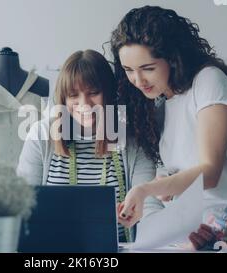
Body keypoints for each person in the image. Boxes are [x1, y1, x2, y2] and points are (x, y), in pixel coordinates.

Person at [110, 6, 227, 229]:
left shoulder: (209, 81)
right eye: (128, 70)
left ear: (173, 58)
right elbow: (180, 174)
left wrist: (146, 190)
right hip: (194, 230)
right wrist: (153, 193)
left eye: (148, 68)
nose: (138, 79)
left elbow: (209, 173)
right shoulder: (162, 103)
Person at [16, 49, 163, 242]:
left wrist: (161, 233)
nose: (84, 104)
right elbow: (21, 205)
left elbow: (149, 204)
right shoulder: (41, 135)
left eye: (93, 93)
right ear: (63, 98)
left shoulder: (133, 140)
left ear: (110, 93)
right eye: (73, 95)